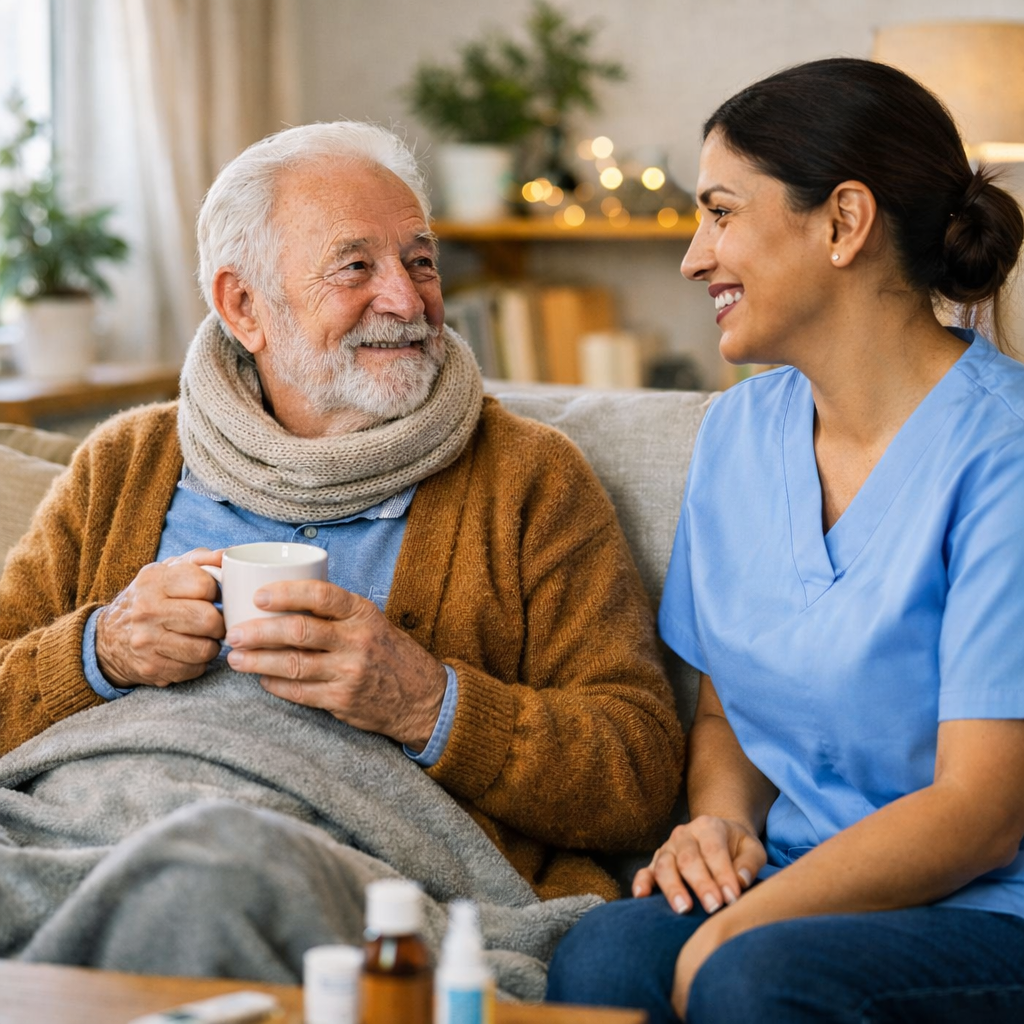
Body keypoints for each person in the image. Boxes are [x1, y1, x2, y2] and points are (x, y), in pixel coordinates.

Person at [0, 122, 684, 913]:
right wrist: (101, 647)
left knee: (201, 889)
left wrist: (426, 700)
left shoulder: (527, 478)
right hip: (67, 834)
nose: (406, 299)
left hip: (332, 869)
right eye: (355, 267)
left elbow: (636, 771)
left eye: (420, 262)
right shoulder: (125, 464)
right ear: (244, 305)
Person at [546, 56, 1024, 1023]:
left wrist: (738, 929)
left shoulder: (1004, 455)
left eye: (719, 212)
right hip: (803, 876)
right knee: (605, 958)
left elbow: (983, 810)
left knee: (753, 981)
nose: (692, 256)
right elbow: (726, 712)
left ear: (844, 222)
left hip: (989, 905)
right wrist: (720, 826)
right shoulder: (737, 435)